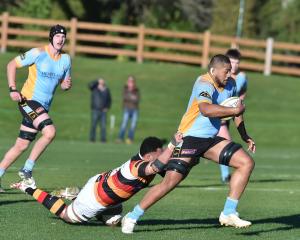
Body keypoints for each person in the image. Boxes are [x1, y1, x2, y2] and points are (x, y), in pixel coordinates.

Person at [121, 54, 256, 234]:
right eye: (225, 71)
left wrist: (245, 135)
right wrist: (234, 109)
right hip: (189, 138)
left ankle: (228, 212)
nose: (228, 75)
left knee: (246, 163)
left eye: (230, 71)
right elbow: (205, 109)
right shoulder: (204, 83)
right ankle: (132, 216)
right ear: (213, 70)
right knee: (170, 182)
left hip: (210, 140)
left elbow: (237, 111)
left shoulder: (231, 84)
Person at [11, 133, 183, 225]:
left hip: (107, 192)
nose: (163, 156)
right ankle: (28, 187)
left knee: (114, 223)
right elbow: (157, 167)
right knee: (66, 216)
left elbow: (170, 173)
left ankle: (77, 194)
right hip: (94, 198)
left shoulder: (145, 160)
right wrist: (172, 145)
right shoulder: (138, 167)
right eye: (160, 152)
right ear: (148, 156)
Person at [0, 24, 71, 192]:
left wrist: (66, 85)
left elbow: (64, 83)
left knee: (21, 146)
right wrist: (12, 89)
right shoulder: (38, 53)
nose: (60, 39)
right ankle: (27, 169)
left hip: (43, 107)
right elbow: (11, 65)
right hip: (28, 101)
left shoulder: (66, 59)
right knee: (50, 132)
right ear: (51, 37)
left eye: (63, 37)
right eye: (57, 36)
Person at [219, 49, 248, 183]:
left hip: (226, 114)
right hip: (218, 114)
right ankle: (225, 176)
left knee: (223, 144)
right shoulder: (222, 75)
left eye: (237, 62)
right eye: (232, 62)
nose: (235, 65)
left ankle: (225, 175)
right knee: (225, 143)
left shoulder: (241, 76)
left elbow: (238, 93)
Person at [117, 75, 140, 144]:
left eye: (132, 81)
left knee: (133, 125)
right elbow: (125, 97)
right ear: (127, 82)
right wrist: (132, 97)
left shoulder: (136, 90)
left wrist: (131, 96)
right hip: (127, 109)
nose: (131, 83)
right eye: (129, 81)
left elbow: (137, 99)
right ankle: (120, 138)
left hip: (135, 109)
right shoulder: (125, 89)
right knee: (124, 124)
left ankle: (130, 139)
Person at [88, 78, 112, 143]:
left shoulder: (106, 89)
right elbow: (89, 85)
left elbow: (109, 100)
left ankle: (103, 140)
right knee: (93, 125)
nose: (101, 83)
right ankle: (92, 139)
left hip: (103, 111)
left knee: (103, 126)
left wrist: (107, 107)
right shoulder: (94, 88)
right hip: (95, 110)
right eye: (100, 82)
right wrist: (96, 81)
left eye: (102, 82)